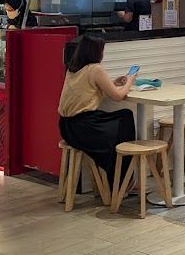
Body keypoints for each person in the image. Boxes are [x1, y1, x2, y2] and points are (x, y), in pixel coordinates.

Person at [58, 34, 137, 186]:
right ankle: (122, 178)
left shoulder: (73, 69)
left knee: (117, 124)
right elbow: (118, 96)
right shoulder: (95, 69)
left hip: (66, 127)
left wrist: (112, 82)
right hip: (83, 127)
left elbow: (87, 89)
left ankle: (120, 178)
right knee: (125, 118)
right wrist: (130, 80)